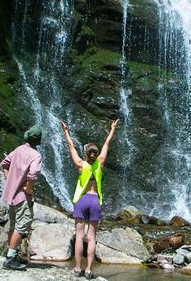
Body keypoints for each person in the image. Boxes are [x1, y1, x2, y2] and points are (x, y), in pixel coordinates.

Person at [60, 118, 119, 279]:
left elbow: (71, 146)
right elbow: (107, 145)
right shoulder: (100, 164)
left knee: (79, 236)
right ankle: (89, 270)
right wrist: (112, 129)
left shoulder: (80, 164)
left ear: (86, 154)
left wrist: (66, 131)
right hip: (95, 201)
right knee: (92, 237)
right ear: (96, 154)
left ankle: (78, 268)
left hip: (82, 200)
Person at [0, 124, 43, 271]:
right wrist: (29, 189)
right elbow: (32, 174)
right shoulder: (36, 156)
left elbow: (4, 164)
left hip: (12, 195)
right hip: (23, 197)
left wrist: (10, 181)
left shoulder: (18, 149)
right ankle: (10, 258)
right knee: (22, 225)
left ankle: (13, 253)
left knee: (14, 225)